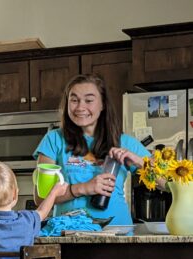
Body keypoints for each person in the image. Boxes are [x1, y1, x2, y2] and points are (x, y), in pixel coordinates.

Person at [34, 73, 160, 226]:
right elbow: (40, 198)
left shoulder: (124, 142)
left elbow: (167, 184)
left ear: (102, 105)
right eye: (74, 100)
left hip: (117, 233)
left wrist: (140, 162)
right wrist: (82, 188)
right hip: (66, 234)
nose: (80, 107)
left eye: (89, 100)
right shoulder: (53, 140)